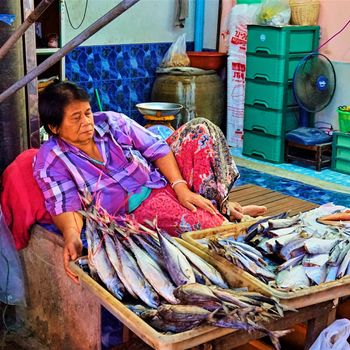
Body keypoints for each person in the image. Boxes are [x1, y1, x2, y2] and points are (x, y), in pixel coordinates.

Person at [33, 81, 267, 281]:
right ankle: (222, 217)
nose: (87, 122)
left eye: (87, 113)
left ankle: (220, 206)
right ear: (54, 127)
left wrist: (181, 188)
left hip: (162, 182)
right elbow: (66, 205)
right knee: (210, 231)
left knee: (201, 130)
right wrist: (72, 236)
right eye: (76, 118)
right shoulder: (51, 160)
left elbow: (157, 149)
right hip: (132, 212)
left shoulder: (112, 122)